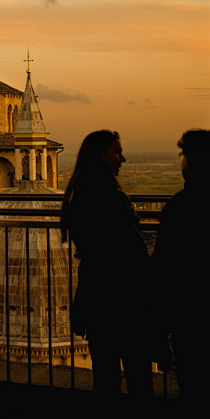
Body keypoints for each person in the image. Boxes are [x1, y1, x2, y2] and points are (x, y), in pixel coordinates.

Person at [61, 130, 153, 396]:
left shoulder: (80, 192)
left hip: (97, 299)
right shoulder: (107, 195)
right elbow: (129, 251)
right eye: (116, 151)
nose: (122, 159)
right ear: (101, 155)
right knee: (138, 376)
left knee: (106, 377)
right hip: (122, 300)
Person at [152, 129, 210, 408]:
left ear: (192, 163)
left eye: (183, 157)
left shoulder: (180, 209)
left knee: (196, 393)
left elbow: (163, 270)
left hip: (190, 318)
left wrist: (158, 326)